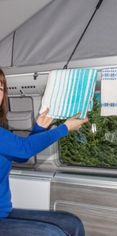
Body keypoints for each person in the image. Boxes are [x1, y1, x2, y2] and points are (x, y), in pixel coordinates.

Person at [0, 68, 86, 236]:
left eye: (0, 88)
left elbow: (21, 156)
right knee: (52, 234)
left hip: (4, 213)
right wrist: (64, 129)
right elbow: (25, 150)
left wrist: (39, 127)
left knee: (71, 223)